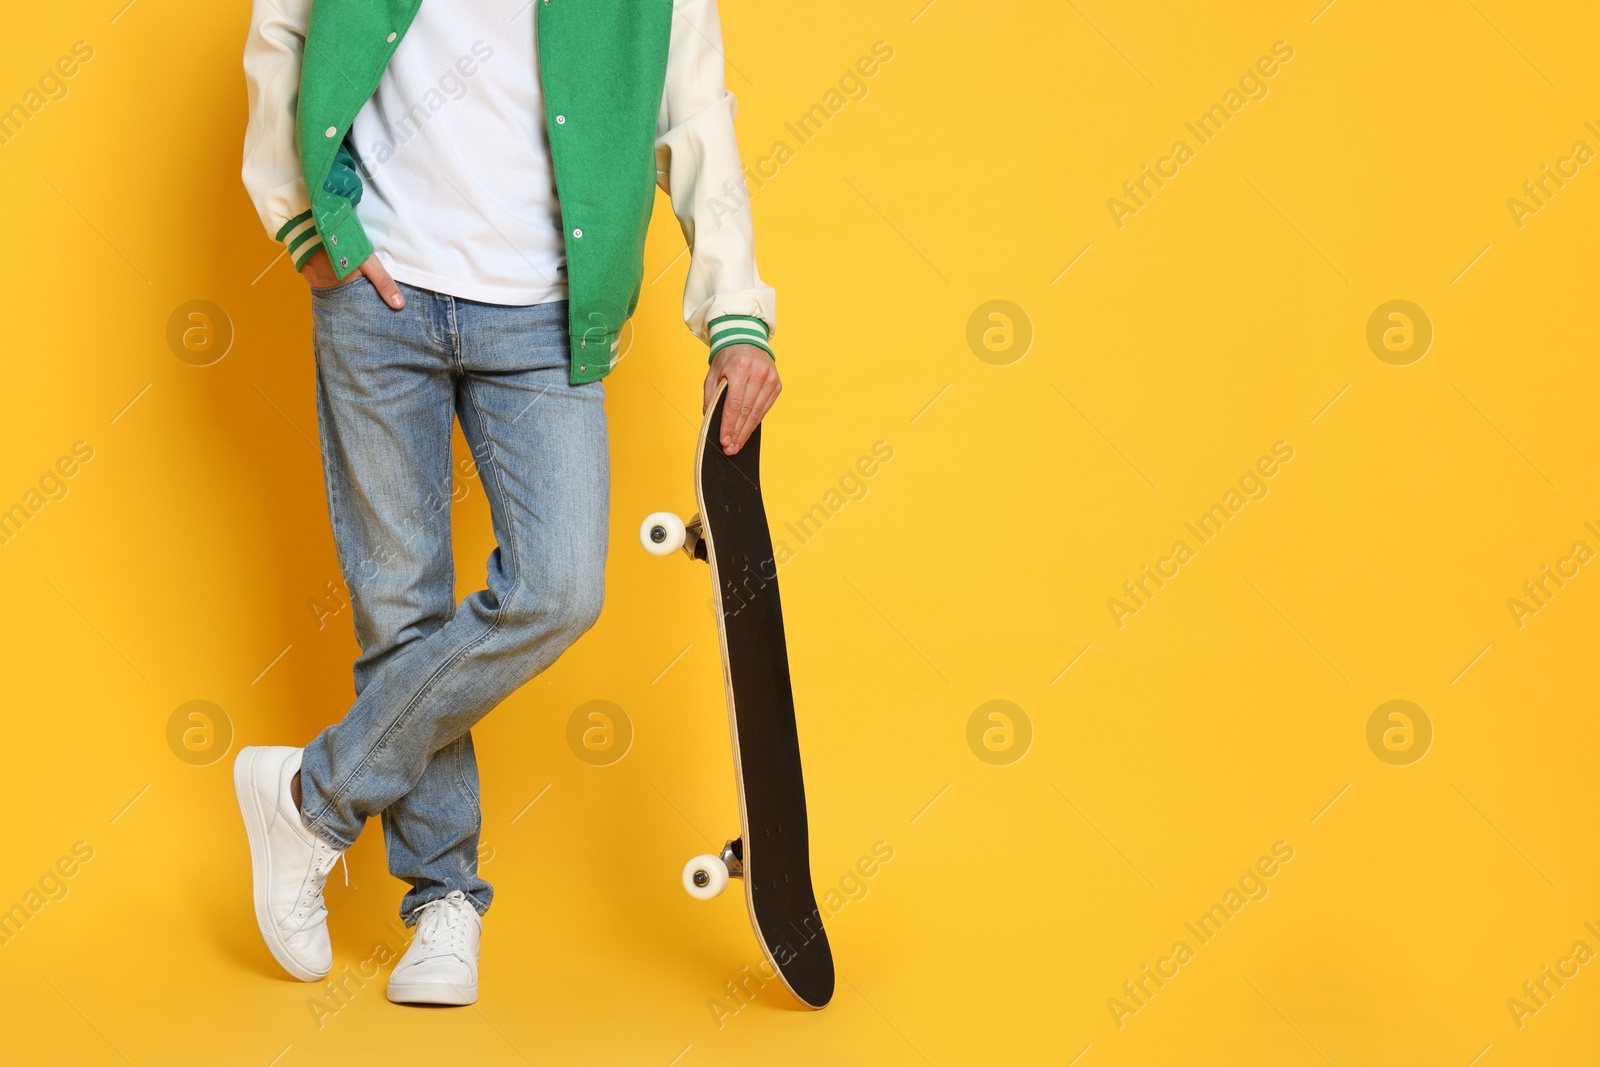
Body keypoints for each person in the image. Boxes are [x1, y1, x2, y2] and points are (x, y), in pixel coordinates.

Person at [231, 0, 780, 1007]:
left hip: (545, 310)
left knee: (560, 585)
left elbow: (696, 116)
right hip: (375, 289)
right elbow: (283, 31)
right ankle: (443, 900)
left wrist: (736, 313)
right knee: (399, 602)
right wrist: (300, 216)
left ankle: (311, 796)